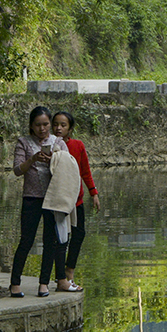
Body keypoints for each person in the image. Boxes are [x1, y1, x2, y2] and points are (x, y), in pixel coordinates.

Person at [9, 105, 74, 298]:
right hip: (31, 198)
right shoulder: (23, 142)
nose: (43, 129)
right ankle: (15, 283)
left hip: (53, 198)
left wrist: (53, 159)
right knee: (26, 241)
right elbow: (17, 170)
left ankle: (44, 283)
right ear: (31, 126)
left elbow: (68, 165)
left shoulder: (58, 142)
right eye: (38, 125)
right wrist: (33, 159)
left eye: (46, 124)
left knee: (50, 242)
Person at [52, 111, 99, 290]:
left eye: (63, 125)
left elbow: (84, 170)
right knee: (59, 237)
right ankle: (60, 276)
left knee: (78, 234)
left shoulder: (77, 145)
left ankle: (69, 271)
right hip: (58, 200)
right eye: (56, 124)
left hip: (76, 199)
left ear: (70, 128)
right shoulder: (50, 146)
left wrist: (93, 192)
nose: (59, 128)